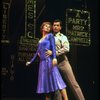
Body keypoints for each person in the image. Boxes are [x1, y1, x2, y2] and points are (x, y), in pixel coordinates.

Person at [26, 22, 68, 100]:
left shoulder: (50, 36)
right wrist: (30, 61)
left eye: (49, 27)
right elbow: (37, 52)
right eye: (46, 26)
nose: (48, 27)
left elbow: (53, 47)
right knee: (46, 86)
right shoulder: (40, 40)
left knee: (57, 79)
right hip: (42, 64)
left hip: (49, 61)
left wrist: (54, 58)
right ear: (42, 28)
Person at [45, 19, 85, 100]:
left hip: (63, 62)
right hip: (53, 64)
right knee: (57, 87)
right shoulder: (49, 37)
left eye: (57, 25)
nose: (55, 27)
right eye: (54, 25)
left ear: (60, 27)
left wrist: (54, 52)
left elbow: (66, 48)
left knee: (73, 84)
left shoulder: (63, 37)